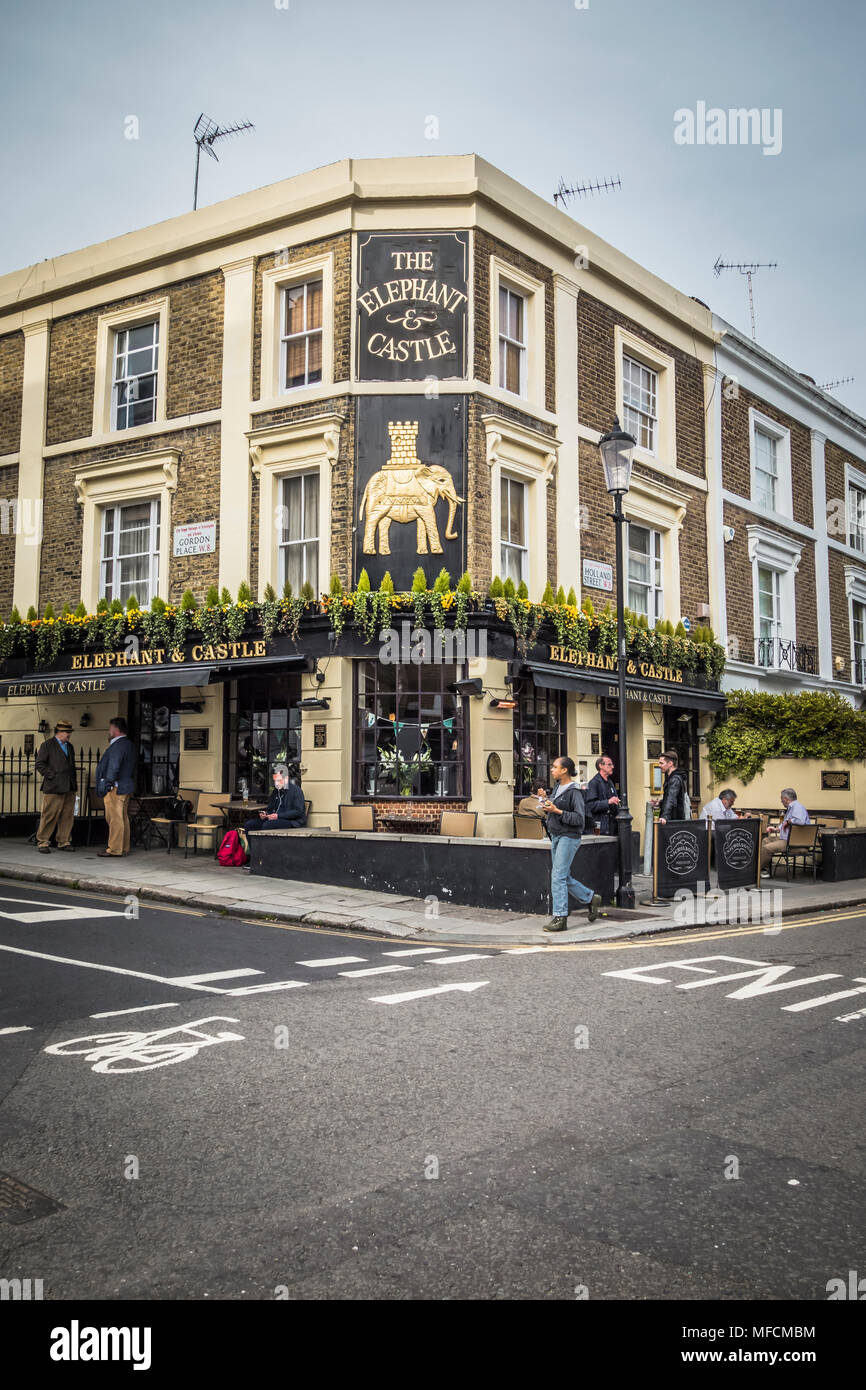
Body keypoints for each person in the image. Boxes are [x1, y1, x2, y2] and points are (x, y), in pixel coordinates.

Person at [536, 755, 602, 932]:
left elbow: (579, 819)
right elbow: (553, 808)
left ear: (564, 770)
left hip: (569, 836)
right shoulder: (558, 787)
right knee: (563, 876)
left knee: (557, 876)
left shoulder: (575, 791)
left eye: (555, 767)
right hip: (556, 835)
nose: (552, 769)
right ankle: (590, 898)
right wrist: (544, 800)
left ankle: (560, 917)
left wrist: (556, 810)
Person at [95, 716, 138, 857]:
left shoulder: (117, 745)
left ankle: (114, 849)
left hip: (115, 788)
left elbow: (114, 767)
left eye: (110, 729)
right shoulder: (129, 745)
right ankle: (123, 847)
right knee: (123, 818)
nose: (109, 731)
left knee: (114, 819)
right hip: (125, 787)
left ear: (116, 730)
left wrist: (107, 784)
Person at [34, 719, 78, 854]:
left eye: (69, 732)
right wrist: (52, 775)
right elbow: (40, 764)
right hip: (53, 786)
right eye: (67, 732)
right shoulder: (47, 745)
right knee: (49, 815)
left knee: (67, 816)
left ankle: (64, 841)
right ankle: (43, 841)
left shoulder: (69, 746)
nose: (69, 734)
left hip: (69, 786)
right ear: (59, 732)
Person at [761, 788, 810, 873]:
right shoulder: (791, 808)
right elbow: (784, 825)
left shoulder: (797, 807)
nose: (781, 801)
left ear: (786, 799)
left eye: (781, 799)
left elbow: (800, 821)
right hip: (787, 839)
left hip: (794, 843)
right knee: (765, 840)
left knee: (767, 848)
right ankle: (764, 869)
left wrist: (788, 821)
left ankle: (755, 871)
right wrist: (776, 829)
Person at [245, 764, 306, 833]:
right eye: (275, 781)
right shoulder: (276, 791)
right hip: (275, 820)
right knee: (249, 825)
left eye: (279, 780)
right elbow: (270, 808)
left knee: (267, 825)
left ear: (286, 778)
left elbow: (298, 811)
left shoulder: (296, 791)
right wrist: (266, 814)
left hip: (291, 821)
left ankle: (266, 844)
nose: (276, 783)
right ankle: (253, 844)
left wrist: (278, 816)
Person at [584, 755, 621, 835]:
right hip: (600, 829)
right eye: (609, 764)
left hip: (612, 827)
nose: (613, 767)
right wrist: (608, 802)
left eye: (612, 764)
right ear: (601, 766)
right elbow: (590, 805)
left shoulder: (610, 782)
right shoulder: (593, 783)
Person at [657, 749, 690, 824]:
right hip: (673, 818)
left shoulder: (675, 779)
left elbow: (671, 798)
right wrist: (660, 803)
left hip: (673, 820)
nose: (659, 765)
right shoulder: (672, 778)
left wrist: (665, 816)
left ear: (670, 764)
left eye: (661, 763)